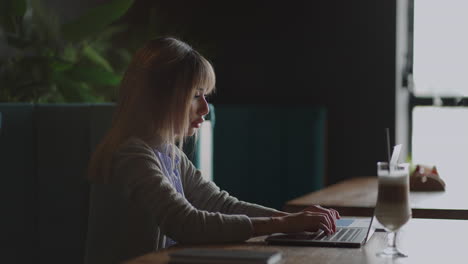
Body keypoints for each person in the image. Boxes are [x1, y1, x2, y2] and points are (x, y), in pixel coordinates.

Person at [85, 36, 340, 264]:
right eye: (196, 95)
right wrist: (283, 223)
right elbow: (185, 223)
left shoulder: (168, 153)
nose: (206, 108)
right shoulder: (131, 155)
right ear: (160, 96)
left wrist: (291, 221)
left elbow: (220, 204)